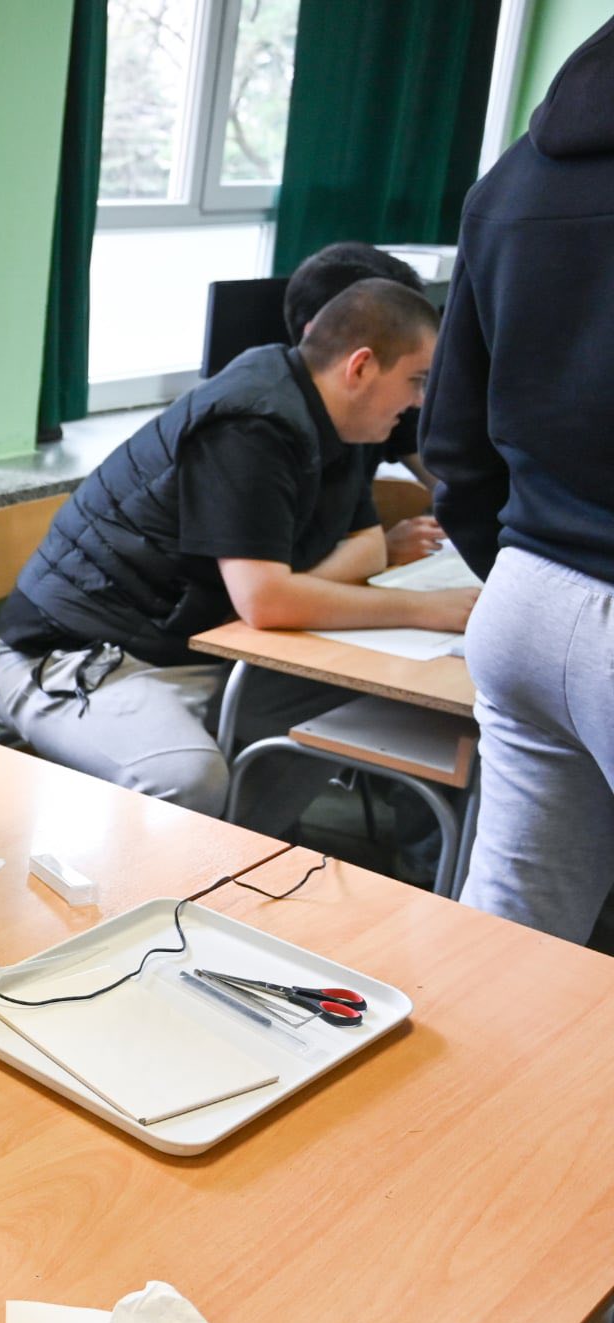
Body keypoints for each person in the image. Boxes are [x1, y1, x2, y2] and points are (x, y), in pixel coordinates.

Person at [0, 280, 478, 832]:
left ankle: (227, 860)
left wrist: (290, 592)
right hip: (76, 659)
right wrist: (427, 609)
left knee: (366, 705)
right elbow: (266, 601)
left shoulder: (336, 421)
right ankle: (198, 865)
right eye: (416, 380)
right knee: (188, 778)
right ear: (361, 367)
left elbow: (362, 553)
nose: (420, 401)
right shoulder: (251, 422)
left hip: (192, 647)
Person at [421, 15, 614, 944]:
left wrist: (517, 561)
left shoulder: (511, 181)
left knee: (513, 939)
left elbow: (451, 444)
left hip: (525, 601)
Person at [285, 241, 446, 565]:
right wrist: (384, 552)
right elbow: (263, 585)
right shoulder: (268, 427)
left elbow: (452, 484)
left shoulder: (386, 403)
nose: (418, 399)